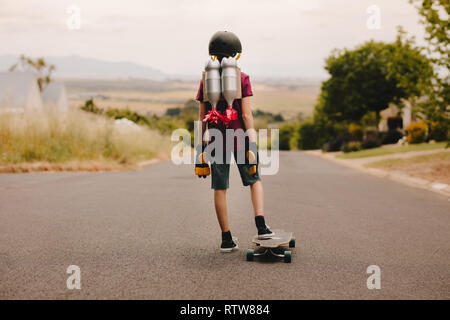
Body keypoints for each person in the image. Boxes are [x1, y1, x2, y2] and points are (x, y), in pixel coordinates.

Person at [195, 31, 273, 253]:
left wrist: (200, 147)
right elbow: (246, 115)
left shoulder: (205, 79)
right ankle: (261, 227)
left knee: (220, 188)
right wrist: (253, 139)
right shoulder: (242, 77)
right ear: (235, 54)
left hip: (216, 139)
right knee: (254, 180)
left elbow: (202, 117)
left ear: (213, 55)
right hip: (240, 137)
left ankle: (226, 239)